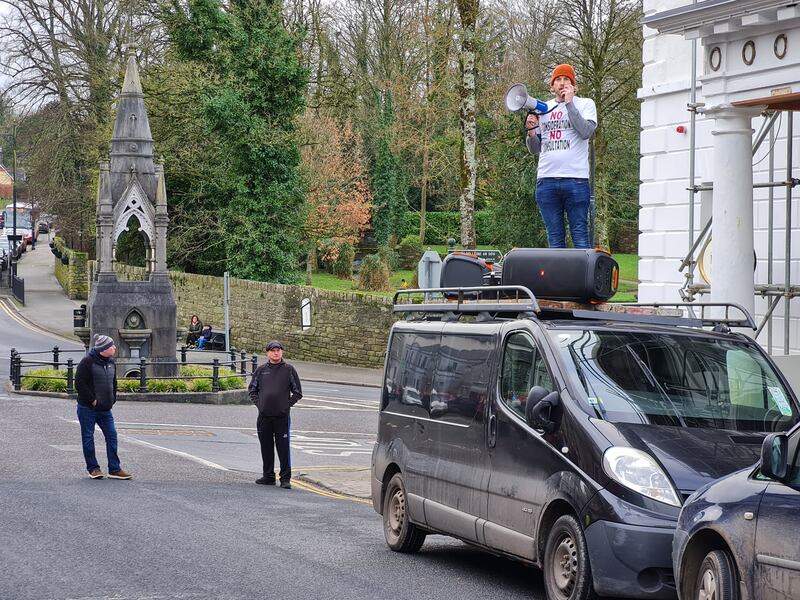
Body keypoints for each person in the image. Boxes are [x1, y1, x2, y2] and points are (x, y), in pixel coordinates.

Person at [525, 63, 597, 249]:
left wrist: (569, 104)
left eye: (567, 79)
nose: (562, 83)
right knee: (554, 237)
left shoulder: (585, 104)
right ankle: (558, 279)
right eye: (558, 80)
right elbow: (535, 149)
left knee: (580, 234)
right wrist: (532, 131)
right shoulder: (543, 108)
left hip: (576, 180)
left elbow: (586, 131)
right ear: (552, 85)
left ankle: (582, 279)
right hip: (546, 180)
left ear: (574, 85)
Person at [74, 334, 132, 480]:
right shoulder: (87, 362)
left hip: (105, 409)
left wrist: (112, 399)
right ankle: (93, 468)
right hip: (87, 408)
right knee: (88, 437)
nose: (114, 348)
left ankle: (114, 469)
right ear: (104, 349)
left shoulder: (111, 362)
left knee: (112, 436)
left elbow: (113, 383)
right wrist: (92, 401)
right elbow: (79, 384)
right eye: (111, 346)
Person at [248, 340, 303, 489]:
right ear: (268, 353)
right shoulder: (260, 370)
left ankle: (285, 479)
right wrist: (260, 405)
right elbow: (252, 389)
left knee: (283, 449)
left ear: (282, 352)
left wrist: (287, 405)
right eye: (273, 350)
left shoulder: (289, 370)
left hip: (282, 417)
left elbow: (298, 392)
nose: (276, 352)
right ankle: (268, 476)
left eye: (278, 350)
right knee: (266, 447)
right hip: (264, 416)